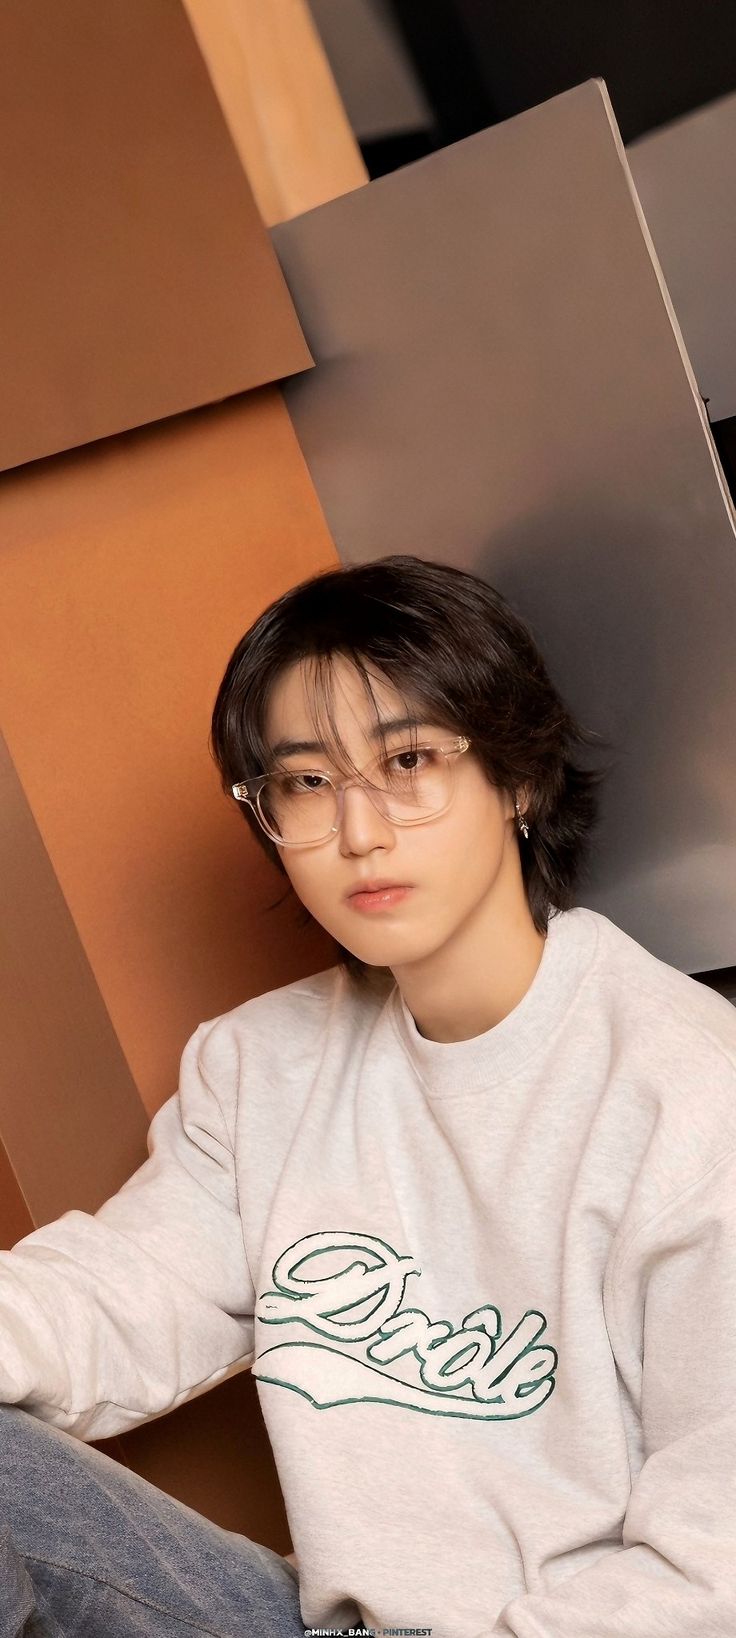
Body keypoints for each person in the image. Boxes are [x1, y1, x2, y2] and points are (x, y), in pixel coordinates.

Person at [1, 552, 735, 1637]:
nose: (359, 832)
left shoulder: (687, 1094)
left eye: (407, 761)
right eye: (305, 782)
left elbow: (712, 1565)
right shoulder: (260, 1069)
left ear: (518, 779)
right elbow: (109, 1301)